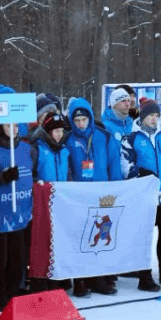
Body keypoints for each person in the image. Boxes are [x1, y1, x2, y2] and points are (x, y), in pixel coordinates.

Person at [58, 97, 122, 297]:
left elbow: (114, 164)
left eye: (83, 120)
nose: (80, 124)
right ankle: (80, 280)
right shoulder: (68, 140)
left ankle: (99, 280)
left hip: (102, 195)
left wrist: (117, 188)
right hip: (79, 197)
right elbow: (65, 167)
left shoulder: (104, 136)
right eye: (76, 121)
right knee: (81, 238)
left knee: (101, 238)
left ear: (90, 118)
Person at [121, 97, 161, 289]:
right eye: (150, 116)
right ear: (143, 117)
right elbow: (125, 167)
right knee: (144, 238)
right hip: (144, 197)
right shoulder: (131, 139)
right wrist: (138, 173)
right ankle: (144, 276)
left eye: (157, 116)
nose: (154, 119)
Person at [0, 115, 35, 311]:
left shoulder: (26, 149)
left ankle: (14, 289)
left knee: (17, 255)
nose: (14, 129)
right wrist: (3, 177)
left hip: (19, 210)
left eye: (16, 124)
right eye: (9, 125)